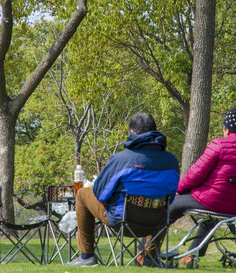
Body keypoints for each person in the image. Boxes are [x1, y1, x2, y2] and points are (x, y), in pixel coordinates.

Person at [141, 106, 236, 267]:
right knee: (210, 219)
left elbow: (195, 174)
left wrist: (177, 190)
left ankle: (146, 254)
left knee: (167, 207)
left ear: (227, 129)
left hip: (211, 199)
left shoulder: (219, 145)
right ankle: (192, 255)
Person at [66, 112, 180, 267]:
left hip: (122, 221)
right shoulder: (172, 162)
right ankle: (150, 257)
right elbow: (170, 198)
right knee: (160, 207)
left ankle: (87, 256)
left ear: (132, 133)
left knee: (82, 194)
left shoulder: (121, 159)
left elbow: (100, 194)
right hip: (156, 222)